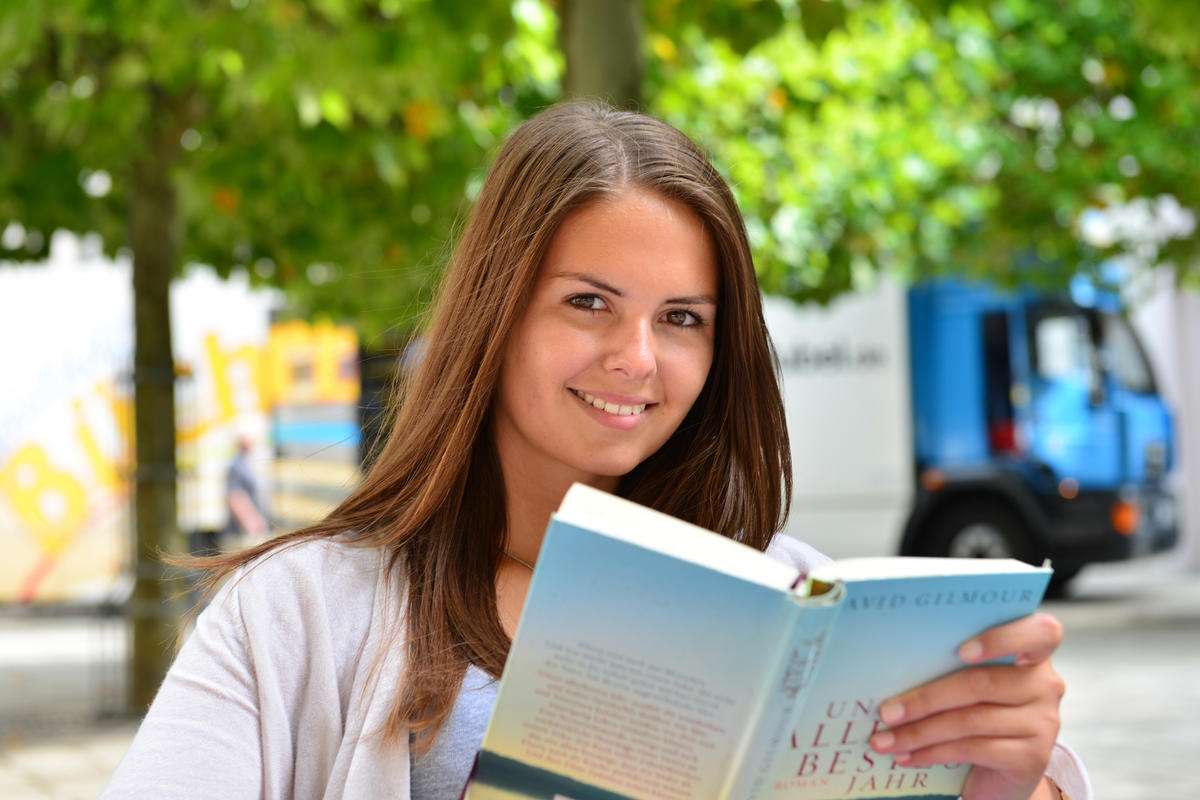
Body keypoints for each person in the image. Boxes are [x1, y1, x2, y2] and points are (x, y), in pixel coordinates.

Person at [102, 103, 1090, 800]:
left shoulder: (801, 604)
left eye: (684, 317)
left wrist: (1012, 784)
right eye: (589, 303)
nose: (637, 357)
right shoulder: (300, 609)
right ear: (499, 312)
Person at [221, 430, 270, 545]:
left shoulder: (247, 462)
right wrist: (252, 523)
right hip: (244, 533)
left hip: (252, 530)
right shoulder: (236, 466)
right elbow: (234, 496)